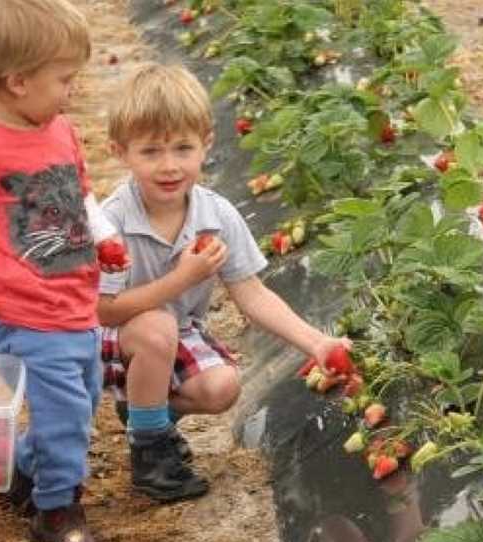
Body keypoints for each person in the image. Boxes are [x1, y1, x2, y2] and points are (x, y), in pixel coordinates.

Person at [98, 63, 351, 503]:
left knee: (222, 387)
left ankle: (144, 410)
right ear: (120, 152)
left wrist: (316, 343)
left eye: (182, 147)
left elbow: (252, 293)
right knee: (156, 325)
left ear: (206, 144)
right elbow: (104, 309)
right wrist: (183, 278)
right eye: (151, 151)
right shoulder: (112, 220)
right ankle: (150, 454)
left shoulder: (216, 216)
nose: (169, 165)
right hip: (107, 337)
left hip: (171, 335)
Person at [0, 1, 124, 541]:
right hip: (28, 318)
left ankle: (23, 472)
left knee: (83, 401)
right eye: (63, 78)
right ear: (17, 82)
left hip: (76, 307)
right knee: (66, 417)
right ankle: (57, 512)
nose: (71, 90)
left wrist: (101, 236)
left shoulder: (59, 130)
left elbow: (80, 194)